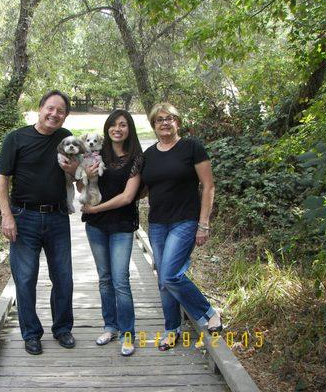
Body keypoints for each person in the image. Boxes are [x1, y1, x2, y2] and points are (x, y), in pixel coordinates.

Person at [0, 90, 78, 355]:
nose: (54, 114)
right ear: (40, 108)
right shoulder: (16, 138)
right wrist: (6, 216)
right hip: (23, 217)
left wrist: (72, 170)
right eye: (50, 108)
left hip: (57, 217)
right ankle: (31, 334)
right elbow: (2, 179)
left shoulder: (66, 138)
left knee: (63, 277)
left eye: (61, 111)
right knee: (26, 278)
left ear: (65, 116)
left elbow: (76, 177)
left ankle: (62, 328)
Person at [141, 102, 222, 351]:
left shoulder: (191, 147)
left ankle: (208, 312)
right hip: (156, 224)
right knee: (163, 280)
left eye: (170, 118)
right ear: (153, 125)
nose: (164, 123)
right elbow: (143, 189)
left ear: (178, 121)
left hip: (185, 221)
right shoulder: (149, 155)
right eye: (159, 120)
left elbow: (208, 186)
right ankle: (171, 329)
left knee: (170, 274)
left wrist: (204, 224)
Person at [80, 109, 143, 356]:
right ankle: (110, 326)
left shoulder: (136, 158)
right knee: (104, 279)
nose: (118, 129)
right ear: (107, 128)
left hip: (121, 225)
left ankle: (128, 334)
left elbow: (128, 197)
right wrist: (86, 175)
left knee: (120, 280)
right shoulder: (96, 153)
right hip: (96, 228)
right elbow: (80, 184)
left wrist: (95, 209)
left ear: (129, 129)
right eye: (113, 125)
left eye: (123, 125)